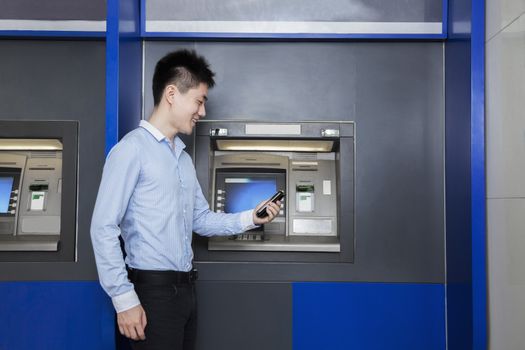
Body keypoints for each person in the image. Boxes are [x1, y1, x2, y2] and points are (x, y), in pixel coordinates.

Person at [90, 49, 281, 350]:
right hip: (151, 293)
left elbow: (200, 219)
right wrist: (123, 299)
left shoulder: (182, 159)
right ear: (171, 94)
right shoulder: (131, 150)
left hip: (186, 291)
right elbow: (102, 228)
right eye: (199, 100)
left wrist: (250, 218)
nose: (202, 112)